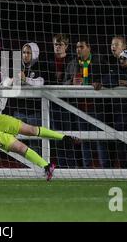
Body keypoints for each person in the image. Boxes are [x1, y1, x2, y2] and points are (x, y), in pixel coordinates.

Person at [64, 39, 111, 168]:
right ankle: (87, 168)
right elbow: (64, 82)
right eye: (77, 47)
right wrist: (71, 83)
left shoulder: (100, 61)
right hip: (79, 108)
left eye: (81, 47)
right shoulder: (72, 64)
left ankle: (105, 168)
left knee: (100, 140)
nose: (78, 49)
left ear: (89, 47)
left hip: (97, 107)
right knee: (83, 140)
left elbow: (109, 77)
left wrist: (101, 82)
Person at [45, 34, 78, 168]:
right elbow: (45, 81)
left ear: (66, 46)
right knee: (57, 137)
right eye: (55, 44)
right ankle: (61, 166)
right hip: (52, 103)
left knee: (70, 136)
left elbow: (74, 80)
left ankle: (72, 166)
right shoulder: (48, 61)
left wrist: (67, 82)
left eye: (60, 44)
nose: (57, 47)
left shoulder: (72, 60)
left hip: (68, 103)